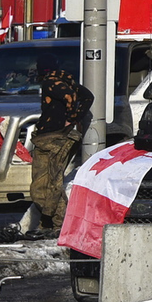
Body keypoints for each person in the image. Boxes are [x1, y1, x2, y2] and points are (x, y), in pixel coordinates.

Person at [31, 56, 93, 236]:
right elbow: (88, 96)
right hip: (59, 138)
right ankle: (56, 223)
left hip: (51, 138)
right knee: (53, 182)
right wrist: (74, 118)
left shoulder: (50, 82)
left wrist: (71, 118)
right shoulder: (67, 80)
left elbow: (69, 96)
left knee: (43, 186)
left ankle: (54, 222)